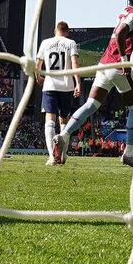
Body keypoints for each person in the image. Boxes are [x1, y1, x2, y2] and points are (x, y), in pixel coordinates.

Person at [52, 0, 133, 168]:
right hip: (116, 65)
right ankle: (129, 153)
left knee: (91, 105)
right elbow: (121, 34)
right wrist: (124, 62)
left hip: (104, 64)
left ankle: (64, 135)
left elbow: (119, 37)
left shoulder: (123, 13)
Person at [36, 21, 81, 165]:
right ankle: (62, 155)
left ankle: (51, 156)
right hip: (67, 86)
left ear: (55, 30)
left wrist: (39, 77)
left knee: (49, 120)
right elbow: (75, 64)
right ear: (67, 32)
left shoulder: (45, 43)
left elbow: (38, 65)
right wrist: (78, 83)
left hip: (50, 85)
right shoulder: (71, 43)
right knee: (64, 121)